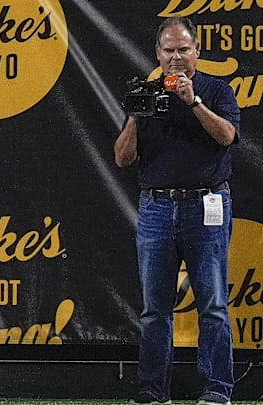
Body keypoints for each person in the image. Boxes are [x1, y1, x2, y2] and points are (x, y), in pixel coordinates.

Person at [114, 17, 240, 405]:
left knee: (214, 306)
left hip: (206, 205)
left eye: (183, 49)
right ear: (158, 54)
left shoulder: (216, 90)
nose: (176, 58)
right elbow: (122, 158)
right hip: (157, 208)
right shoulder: (147, 94)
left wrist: (193, 101)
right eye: (168, 51)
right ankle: (153, 392)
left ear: (197, 52)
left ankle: (218, 390)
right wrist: (137, 114)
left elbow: (227, 136)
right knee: (154, 310)